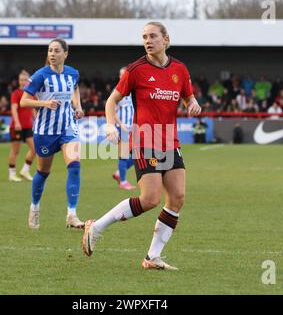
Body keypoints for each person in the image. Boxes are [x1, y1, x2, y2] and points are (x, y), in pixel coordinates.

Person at [82, 22, 201, 270]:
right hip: (146, 140)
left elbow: (188, 96)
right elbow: (111, 101)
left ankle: (152, 257)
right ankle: (97, 227)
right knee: (150, 199)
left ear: (166, 39)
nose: (148, 41)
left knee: (177, 198)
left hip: (171, 140)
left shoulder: (179, 68)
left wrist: (193, 104)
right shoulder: (136, 70)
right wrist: (109, 125)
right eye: (144, 37)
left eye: (153, 36)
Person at [20, 38, 85, 230]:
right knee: (43, 172)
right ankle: (34, 207)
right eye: (50, 51)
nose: (52, 54)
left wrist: (78, 106)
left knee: (74, 166)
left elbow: (75, 88)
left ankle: (72, 215)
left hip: (68, 127)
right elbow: (24, 101)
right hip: (45, 131)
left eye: (56, 51)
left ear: (65, 53)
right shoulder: (41, 75)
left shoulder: (73, 73)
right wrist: (44, 103)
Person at [8, 70, 36, 182]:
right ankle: (12, 174)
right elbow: (14, 109)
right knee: (15, 151)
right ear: (19, 81)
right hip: (17, 127)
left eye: (25, 79)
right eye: (21, 80)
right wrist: (17, 122)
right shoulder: (16, 93)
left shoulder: (31, 94)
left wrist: (37, 120)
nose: (23, 82)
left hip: (28, 126)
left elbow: (33, 109)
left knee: (34, 149)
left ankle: (25, 170)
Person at [111, 66, 136, 190]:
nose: (123, 76)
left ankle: (118, 173)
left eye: (125, 74)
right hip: (122, 128)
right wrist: (121, 126)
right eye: (121, 75)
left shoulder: (134, 90)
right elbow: (112, 111)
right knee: (124, 154)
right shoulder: (117, 91)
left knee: (138, 155)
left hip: (134, 128)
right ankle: (123, 181)